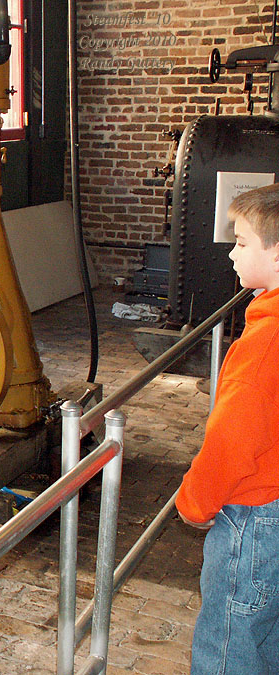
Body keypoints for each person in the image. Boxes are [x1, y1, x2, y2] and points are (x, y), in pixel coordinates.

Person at [177, 182, 279, 674]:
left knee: (229, 643)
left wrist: (195, 502)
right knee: (266, 636)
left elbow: (233, 437)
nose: (231, 254)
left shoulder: (264, 342)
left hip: (254, 520)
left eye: (242, 243)